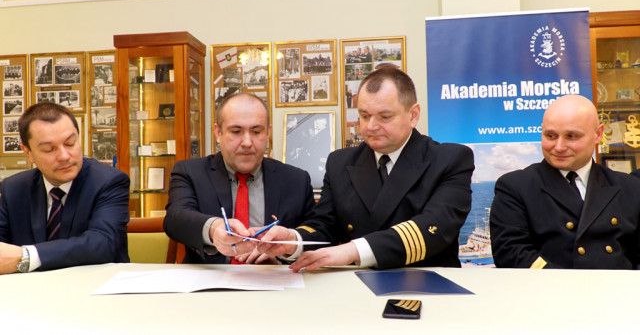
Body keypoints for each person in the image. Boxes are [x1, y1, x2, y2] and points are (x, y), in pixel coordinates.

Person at [258, 65, 474, 271]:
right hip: (358, 288)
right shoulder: (340, 163)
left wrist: (353, 250)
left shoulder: (450, 159)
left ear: (413, 115)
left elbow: (433, 228)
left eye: (385, 116)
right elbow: (325, 226)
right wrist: (291, 240)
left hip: (426, 287)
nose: (371, 126)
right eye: (364, 116)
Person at [490, 94, 640, 269]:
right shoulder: (516, 187)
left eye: (571, 136)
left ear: (598, 134)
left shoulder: (631, 188)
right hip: (549, 292)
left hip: (618, 292)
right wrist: (572, 288)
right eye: (551, 136)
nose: (559, 147)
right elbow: (511, 254)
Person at [164, 92, 314, 264]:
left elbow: (315, 234)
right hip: (210, 284)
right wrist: (214, 229)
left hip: (275, 282)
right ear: (218, 132)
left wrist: (284, 254)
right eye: (236, 131)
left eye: (256, 131)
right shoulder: (190, 171)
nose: (247, 142)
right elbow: (175, 219)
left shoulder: (296, 180)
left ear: (268, 133)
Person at [0, 102, 130, 274]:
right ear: (28, 152)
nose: (64, 156)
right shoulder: (13, 189)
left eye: (70, 143)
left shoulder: (108, 182)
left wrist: (27, 256)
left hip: (94, 289)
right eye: (48, 149)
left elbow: (103, 242)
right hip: (29, 293)